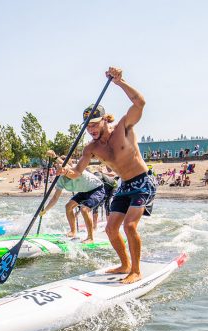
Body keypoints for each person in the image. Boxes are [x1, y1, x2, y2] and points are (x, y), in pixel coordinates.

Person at [57, 67, 155, 284]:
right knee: (111, 228)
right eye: (87, 126)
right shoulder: (91, 148)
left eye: (94, 124)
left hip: (143, 182)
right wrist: (65, 171)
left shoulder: (124, 127)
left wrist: (120, 82)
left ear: (104, 120)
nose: (90, 129)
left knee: (129, 226)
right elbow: (76, 173)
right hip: (124, 185)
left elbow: (140, 103)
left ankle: (136, 271)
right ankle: (125, 264)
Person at [41, 150, 105, 243]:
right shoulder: (61, 179)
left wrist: (55, 156)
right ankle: (73, 231)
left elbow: (66, 166)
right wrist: (45, 210)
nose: (58, 167)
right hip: (84, 191)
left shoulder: (76, 169)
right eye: (57, 166)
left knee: (84, 209)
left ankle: (90, 237)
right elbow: (55, 198)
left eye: (61, 165)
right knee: (68, 206)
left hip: (97, 189)